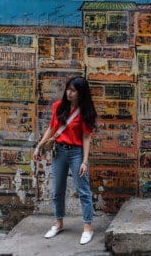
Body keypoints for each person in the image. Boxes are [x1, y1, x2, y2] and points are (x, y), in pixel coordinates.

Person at [33, 76, 97, 244]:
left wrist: (84, 161)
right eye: (68, 89)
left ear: (81, 93)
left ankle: (88, 227)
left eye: (73, 90)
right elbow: (51, 129)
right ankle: (58, 223)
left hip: (76, 153)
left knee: (83, 190)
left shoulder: (85, 111)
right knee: (57, 190)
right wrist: (39, 147)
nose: (69, 93)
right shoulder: (58, 106)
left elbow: (86, 137)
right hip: (59, 151)